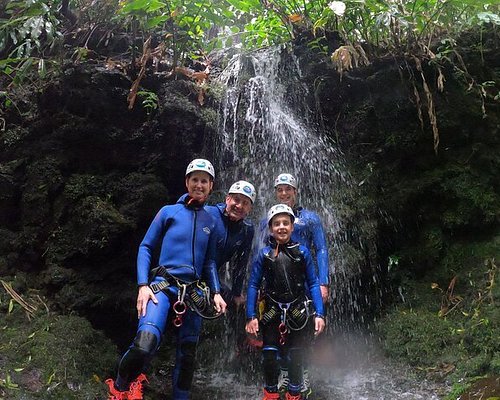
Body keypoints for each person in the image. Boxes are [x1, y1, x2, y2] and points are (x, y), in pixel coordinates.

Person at [105, 159, 227, 400]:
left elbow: (210, 262)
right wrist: (142, 285)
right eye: (195, 180)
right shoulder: (168, 212)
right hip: (162, 286)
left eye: (204, 181)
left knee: (187, 354)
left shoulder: (212, 222)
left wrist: (216, 291)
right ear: (186, 182)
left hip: (192, 292)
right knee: (145, 342)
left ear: (211, 186)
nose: (199, 185)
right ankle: (119, 388)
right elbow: (146, 247)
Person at [246, 204, 325, 400]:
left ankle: (294, 394)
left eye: (285, 223)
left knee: (296, 356)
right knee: (270, 355)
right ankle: (270, 394)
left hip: (298, 311)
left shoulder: (303, 253)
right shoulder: (264, 255)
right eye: (277, 224)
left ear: (292, 227)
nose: (281, 227)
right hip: (272, 311)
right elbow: (253, 285)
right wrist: (251, 316)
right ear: (271, 228)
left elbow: (313, 283)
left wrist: (319, 314)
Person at [270, 173, 331, 397]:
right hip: (278, 284)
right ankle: (285, 372)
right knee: (277, 330)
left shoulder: (311, 219)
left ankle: (302, 373)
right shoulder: (271, 219)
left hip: (306, 283)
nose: (284, 193)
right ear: (276, 192)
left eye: (288, 189)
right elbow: (262, 253)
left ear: (295, 191)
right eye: (280, 189)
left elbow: (322, 249)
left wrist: (323, 282)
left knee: (303, 331)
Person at [205, 180, 256, 306]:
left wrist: (237, 293)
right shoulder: (209, 213)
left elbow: (241, 263)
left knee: (235, 304)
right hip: (194, 274)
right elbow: (208, 258)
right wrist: (216, 291)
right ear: (227, 199)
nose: (239, 206)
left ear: (250, 208)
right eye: (236, 200)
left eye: (245, 203)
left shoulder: (247, 229)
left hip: (212, 277)